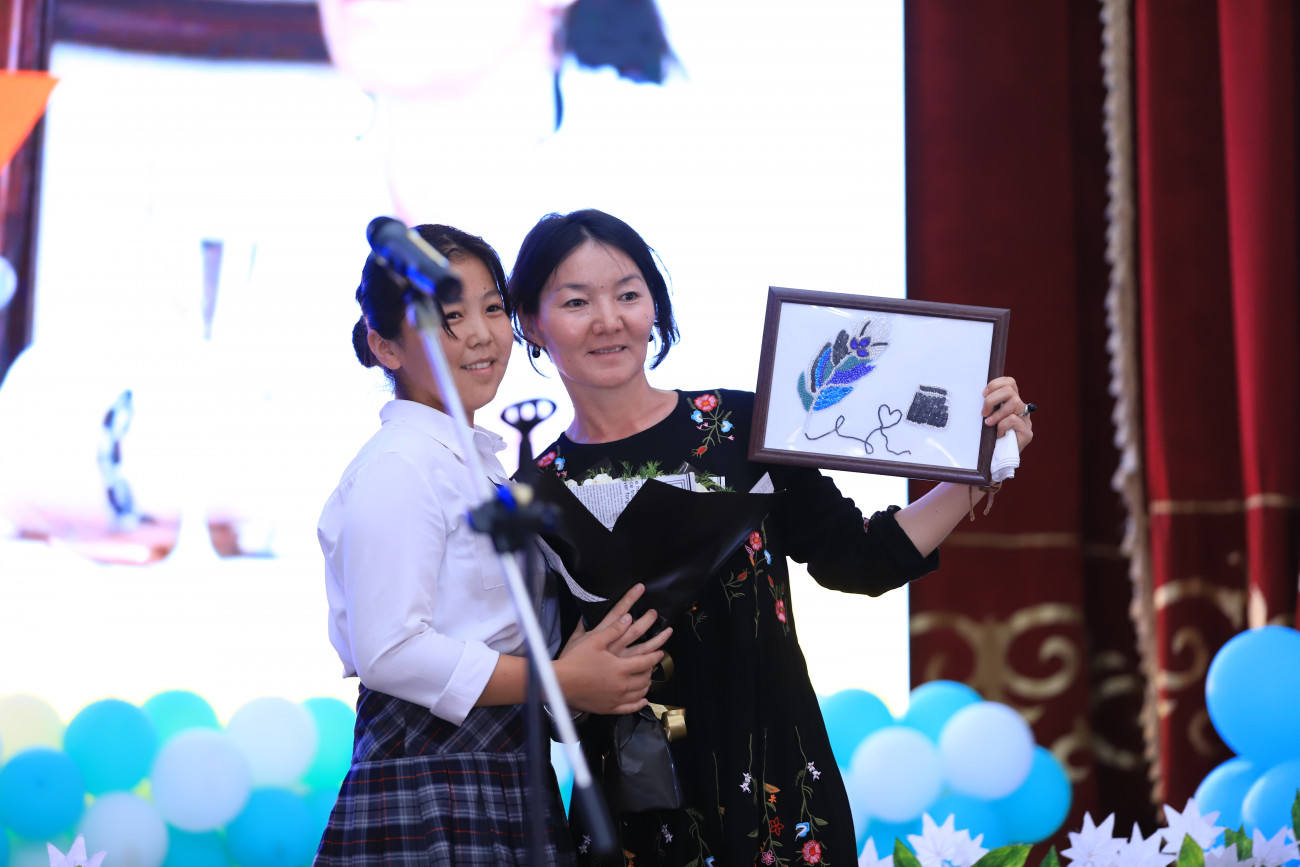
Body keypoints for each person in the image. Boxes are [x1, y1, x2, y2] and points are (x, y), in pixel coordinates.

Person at [507, 209, 1035, 865]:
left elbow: (859, 559)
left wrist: (981, 467)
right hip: (638, 818)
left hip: (781, 796)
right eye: (576, 302)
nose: (608, 320)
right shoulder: (528, 496)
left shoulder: (742, 426)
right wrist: (569, 686)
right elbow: (549, 695)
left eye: (628, 294)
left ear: (655, 307)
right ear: (530, 322)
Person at [314, 223, 672, 866]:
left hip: (502, 765)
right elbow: (389, 651)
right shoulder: (400, 464)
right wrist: (561, 678)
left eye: (492, 308)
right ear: (384, 346)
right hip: (431, 777)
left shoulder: (476, 466)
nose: (481, 334)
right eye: (449, 318)